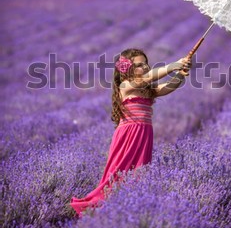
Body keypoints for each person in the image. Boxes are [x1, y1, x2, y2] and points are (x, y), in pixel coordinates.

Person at [70, 48, 191, 215]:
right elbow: (147, 78)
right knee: (118, 173)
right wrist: (173, 66)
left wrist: (181, 74)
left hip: (144, 134)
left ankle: (129, 208)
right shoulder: (126, 85)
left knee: (139, 172)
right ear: (127, 70)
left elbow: (168, 87)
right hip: (128, 135)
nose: (146, 67)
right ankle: (102, 207)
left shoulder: (146, 89)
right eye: (140, 65)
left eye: (146, 63)